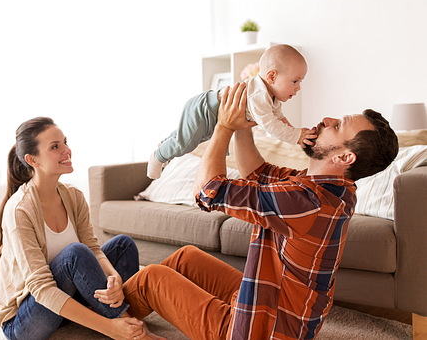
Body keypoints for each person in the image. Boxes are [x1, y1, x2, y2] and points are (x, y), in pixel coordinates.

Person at [123, 82, 399, 340]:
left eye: (337, 126)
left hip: (260, 331)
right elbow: (258, 172)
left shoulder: (308, 202)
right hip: (268, 304)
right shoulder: (327, 189)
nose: (326, 120)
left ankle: (106, 316)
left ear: (343, 157)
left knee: (151, 279)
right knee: (186, 257)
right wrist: (244, 120)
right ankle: (115, 298)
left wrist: (224, 127)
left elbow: (208, 190)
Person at [0, 117, 161, 340]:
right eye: (55, 146)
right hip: (24, 320)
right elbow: (41, 288)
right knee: (75, 254)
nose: (66, 150)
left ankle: (120, 319)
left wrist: (113, 277)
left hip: (64, 302)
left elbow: (93, 248)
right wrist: (108, 328)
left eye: (64, 142)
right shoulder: (19, 210)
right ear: (32, 160)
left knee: (123, 245)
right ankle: (127, 328)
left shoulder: (74, 196)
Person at [147, 44, 314, 179]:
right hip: (205, 108)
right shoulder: (259, 95)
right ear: (271, 77)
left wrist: (297, 134)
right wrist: (296, 135)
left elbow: (279, 118)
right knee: (186, 143)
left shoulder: (272, 97)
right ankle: (158, 156)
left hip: (214, 114)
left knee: (196, 138)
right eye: (295, 81)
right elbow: (271, 125)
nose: (298, 87)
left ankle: (165, 143)